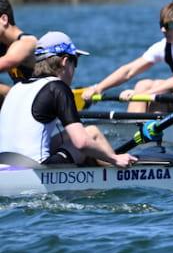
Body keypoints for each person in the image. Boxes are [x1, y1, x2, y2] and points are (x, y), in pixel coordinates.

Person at [0, 32, 135, 167]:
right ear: (64, 61)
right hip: (33, 171)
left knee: (77, 135)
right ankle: (118, 174)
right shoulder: (57, 88)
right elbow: (81, 143)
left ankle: (93, 182)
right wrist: (113, 158)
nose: (75, 70)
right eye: (75, 62)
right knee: (91, 133)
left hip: (4, 163)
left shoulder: (16, 88)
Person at [81, 0, 173, 113]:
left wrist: (139, 96)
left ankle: (151, 134)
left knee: (165, 90)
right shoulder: (163, 46)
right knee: (142, 84)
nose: (163, 29)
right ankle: (137, 126)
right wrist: (98, 88)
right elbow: (129, 71)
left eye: (169, 25)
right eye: (161, 24)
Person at [0, 0, 37, 102]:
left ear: (4, 19)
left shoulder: (27, 42)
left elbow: (3, 64)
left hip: (39, 101)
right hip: (21, 99)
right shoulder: (3, 45)